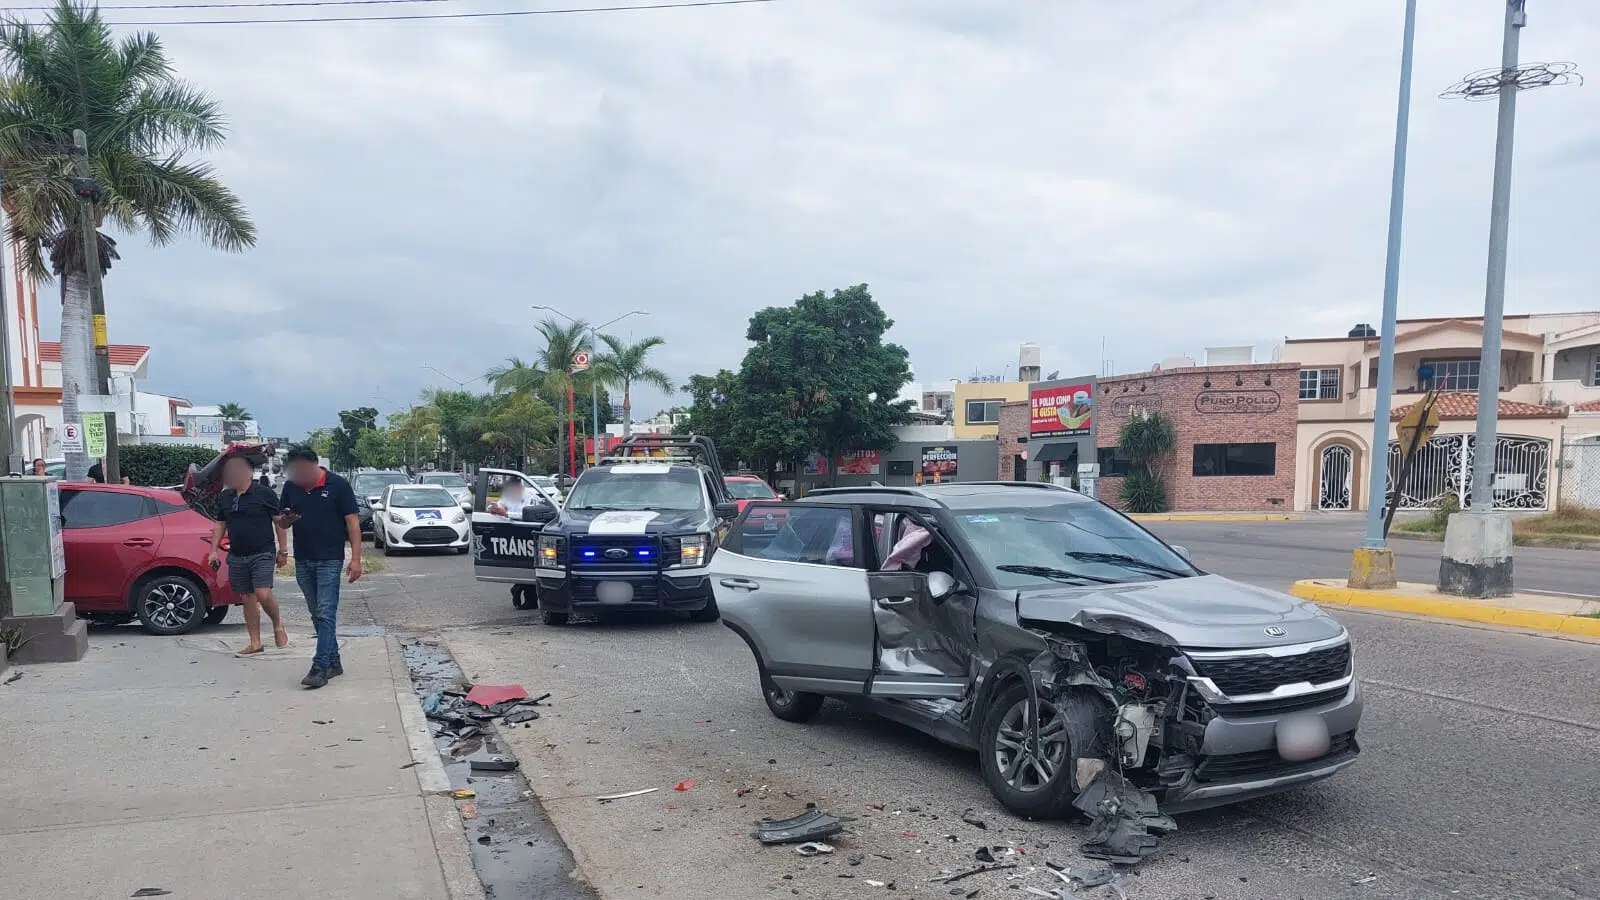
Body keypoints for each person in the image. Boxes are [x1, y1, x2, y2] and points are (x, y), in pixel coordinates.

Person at [277, 445, 362, 689]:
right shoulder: (291, 487)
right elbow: (281, 521)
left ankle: (320, 666)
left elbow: (353, 524)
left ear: (314, 464)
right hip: (303, 558)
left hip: (330, 558)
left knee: (326, 612)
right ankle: (334, 660)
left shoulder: (338, 485)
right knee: (316, 613)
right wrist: (286, 520)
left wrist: (355, 559)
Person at [209, 456, 290, 656]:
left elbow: (279, 522)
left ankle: (277, 624)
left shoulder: (264, 494)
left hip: (262, 551)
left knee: (262, 592)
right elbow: (220, 523)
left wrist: (283, 550)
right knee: (247, 597)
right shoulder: (226, 497)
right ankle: (255, 642)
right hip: (237, 554)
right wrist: (213, 550)